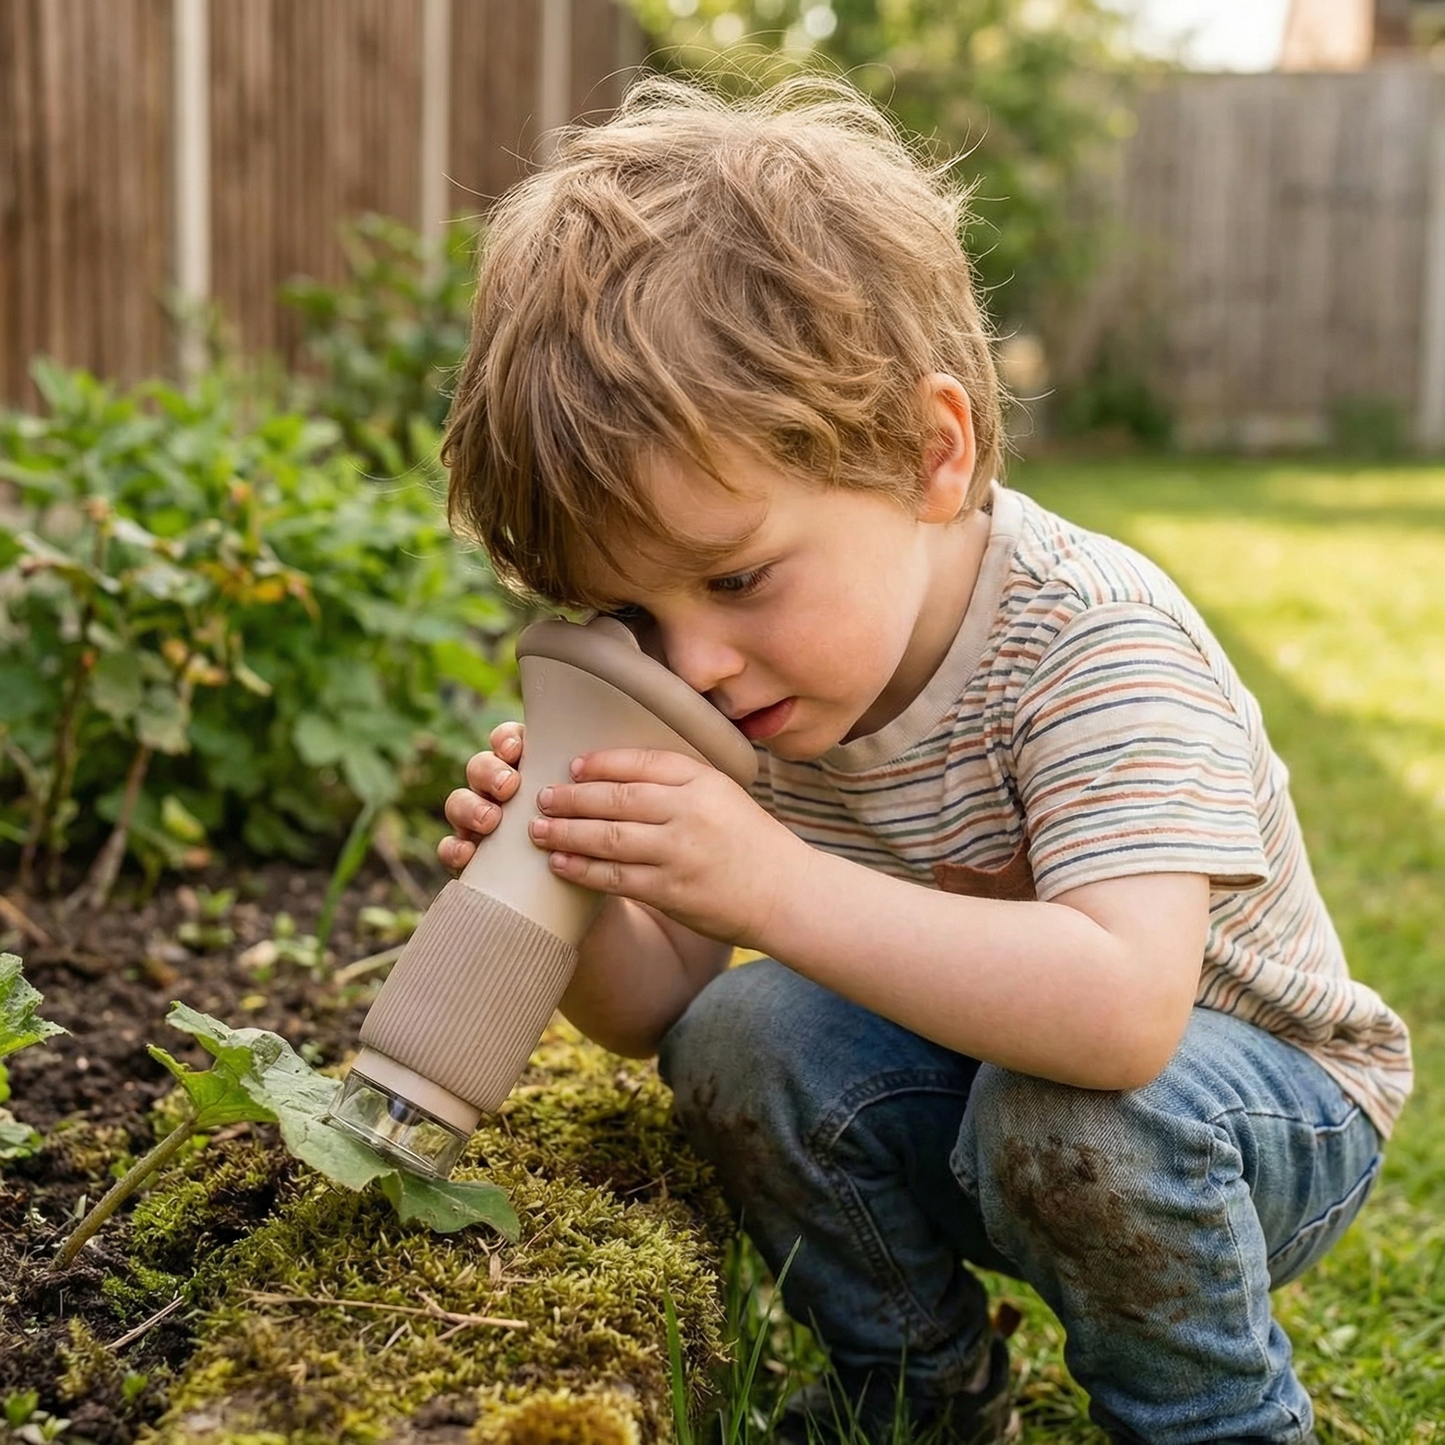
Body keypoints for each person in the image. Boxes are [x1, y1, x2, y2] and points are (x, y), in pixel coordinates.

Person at [435, 74, 1411, 1445]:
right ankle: (922, 1396)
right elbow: (662, 1015)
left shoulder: (1090, 645)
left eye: (736, 576)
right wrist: (583, 880)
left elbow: (1125, 1014)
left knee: (1070, 1109)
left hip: (1251, 1110)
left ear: (926, 452)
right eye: (636, 613)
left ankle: (1212, 1422)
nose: (693, 662)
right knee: (739, 1035)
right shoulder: (762, 682)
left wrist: (767, 884)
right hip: (990, 1096)